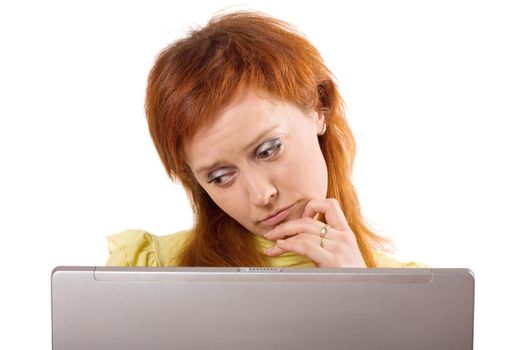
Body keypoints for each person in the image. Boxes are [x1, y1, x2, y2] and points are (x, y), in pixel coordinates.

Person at [106, 11, 426, 268]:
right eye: (220, 177)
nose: (261, 195)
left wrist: (364, 299)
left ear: (319, 108)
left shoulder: (408, 293)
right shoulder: (147, 269)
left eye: (269, 150)